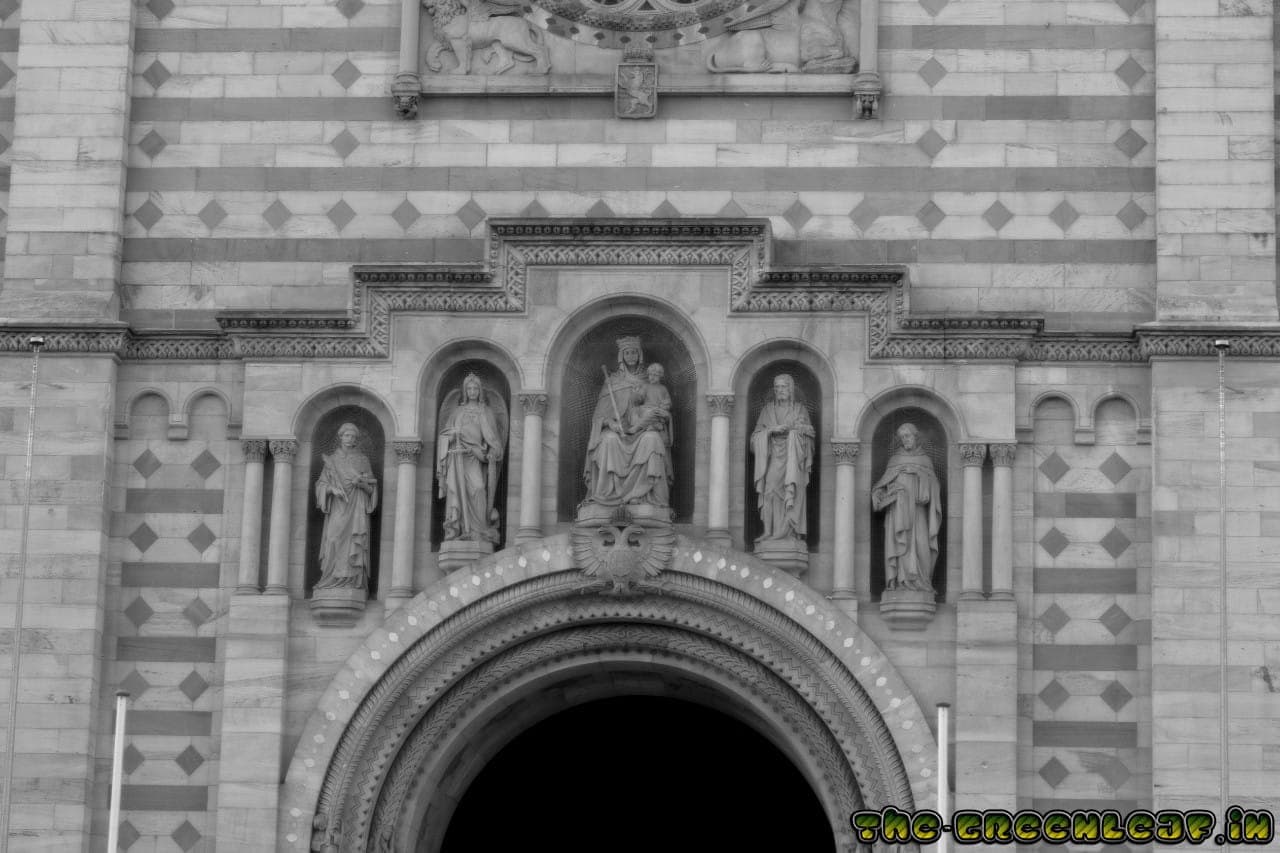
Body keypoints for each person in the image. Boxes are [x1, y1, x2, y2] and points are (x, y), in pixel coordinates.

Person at [583, 337, 674, 508]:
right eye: (627, 353)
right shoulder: (612, 381)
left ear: (639, 355)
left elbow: (661, 407)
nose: (631, 356)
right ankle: (607, 494)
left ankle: (644, 495)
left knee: (653, 439)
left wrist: (660, 414)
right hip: (618, 430)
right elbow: (599, 415)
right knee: (608, 440)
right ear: (621, 356)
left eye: (634, 352)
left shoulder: (649, 380)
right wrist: (611, 423)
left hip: (642, 428)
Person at [872, 422, 941, 591]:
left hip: (918, 512)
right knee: (901, 545)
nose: (905, 440)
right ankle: (901, 582)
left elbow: (935, 487)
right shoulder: (895, 460)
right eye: (902, 437)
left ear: (916, 437)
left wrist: (919, 473)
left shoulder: (925, 460)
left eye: (907, 436)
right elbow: (880, 487)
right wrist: (886, 492)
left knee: (922, 545)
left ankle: (923, 582)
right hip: (898, 513)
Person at [437, 373, 505, 542]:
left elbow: (494, 441)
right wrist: (452, 436)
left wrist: (491, 452)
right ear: (465, 391)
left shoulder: (486, 412)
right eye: (469, 388)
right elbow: (444, 435)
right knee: (458, 492)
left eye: (475, 388)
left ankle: (479, 531)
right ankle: (459, 528)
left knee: (479, 489)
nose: (472, 391)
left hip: (476, 457)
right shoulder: (457, 412)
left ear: (480, 391)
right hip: (458, 458)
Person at [750, 374, 815, 542]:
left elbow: (810, 435)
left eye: (783, 386)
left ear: (790, 389)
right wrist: (771, 430)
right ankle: (768, 531)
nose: (780, 390)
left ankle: (788, 532)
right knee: (769, 490)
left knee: (790, 491)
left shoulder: (799, 409)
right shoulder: (767, 410)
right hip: (772, 455)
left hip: (794, 457)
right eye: (777, 387)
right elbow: (754, 439)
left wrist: (797, 430)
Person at [314, 423, 378, 590]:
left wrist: (361, 484)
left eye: (353, 437)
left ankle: (352, 581)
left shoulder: (363, 460)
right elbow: (320, 485)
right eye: (347, 436)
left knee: (353, 542)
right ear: (340, 437)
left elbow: (371, 488)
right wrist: (332, 490)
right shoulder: (332, 460)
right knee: (333, 538)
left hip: (357, 507)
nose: (350, 439)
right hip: (338, 506)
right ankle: (331, 578)